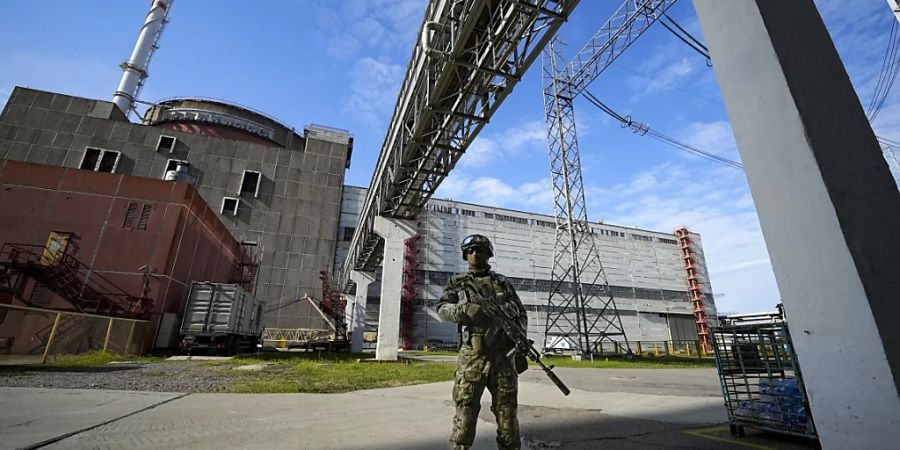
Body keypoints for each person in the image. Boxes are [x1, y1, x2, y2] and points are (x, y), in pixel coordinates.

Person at [437, 234, 528, 450]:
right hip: (472, 357)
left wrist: (519, 337)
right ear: (465, 255)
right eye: (470, 251)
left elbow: (521, 314)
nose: (475, 254)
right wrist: (462, 310)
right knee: (466, 411)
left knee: (507, 414)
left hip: (503, 356)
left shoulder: (502, 282)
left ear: (488, 254)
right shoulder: (458, 283)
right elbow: (441, 309)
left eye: (479, 250)